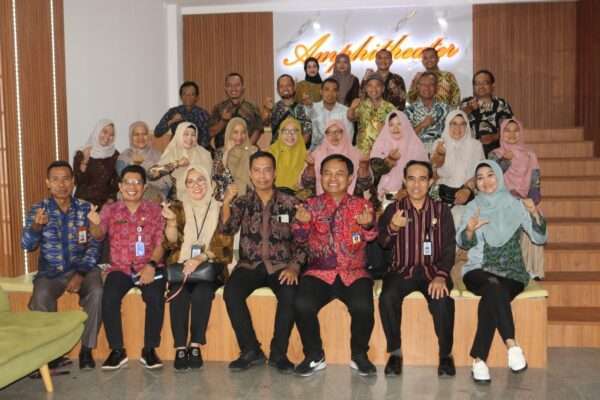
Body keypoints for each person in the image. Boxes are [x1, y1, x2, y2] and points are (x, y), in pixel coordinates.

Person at [456, 160, 547, 384]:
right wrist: (469, 231)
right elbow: (462, 242)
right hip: (478, 269)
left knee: (492, 294)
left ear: (499, 176)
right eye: (480, 178)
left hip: (512, 272)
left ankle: (479, 360)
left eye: (490, 175)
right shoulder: (473, 207)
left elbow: (539, 238)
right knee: (493, 287)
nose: (485, 181)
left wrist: (534, 213)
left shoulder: (515, 204)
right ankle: (512, 345)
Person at [293, 154, 378, 377]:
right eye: (328, 173)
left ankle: (359, 355)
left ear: (350, 178)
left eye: (340, 174)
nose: (333, 178)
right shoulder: (311, 205)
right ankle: (314, 355)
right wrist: (302, 224)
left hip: (354, 272)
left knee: (363, 307)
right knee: (302, 303)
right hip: (319, 272)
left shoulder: (362, 205)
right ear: (320, 176)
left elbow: (372, 236)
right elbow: (299, 239)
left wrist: (368, 224)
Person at [220, 151, 305, 373]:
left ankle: (279, 353)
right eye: (257, 170)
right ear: (250, 174)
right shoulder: (242, 202)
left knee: (290, 293)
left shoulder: (291, 203)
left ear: (275, 173)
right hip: (250, 265)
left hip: (281, 266)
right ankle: (251, 350)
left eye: (267, 170)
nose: (262, 175)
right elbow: (227, 230)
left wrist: (294, 267)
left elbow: (304, 239)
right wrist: (226, 202)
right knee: (231, 293)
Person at [377, 160, 456, 377]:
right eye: (411, 179)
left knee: (442, 301)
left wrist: (441, 275)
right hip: (401, 271)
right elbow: (383, 243)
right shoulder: (394, 209)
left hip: (433, 271)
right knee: (387, 297)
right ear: (404, 180)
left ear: (430, 182)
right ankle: (395, 353)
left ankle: (445, 355)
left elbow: (449, 247)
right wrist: (393, 227)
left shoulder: (441, 210)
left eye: (422, 179)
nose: (416, 185)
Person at [21, 161, 103, 370]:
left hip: (83, 268)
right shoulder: (39, 209)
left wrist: (81, 273)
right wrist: (36, 227)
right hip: (51, 271)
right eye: (55, 180)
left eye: (66, 179)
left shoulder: (86, 208)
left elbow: (95, 246)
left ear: (73, 181)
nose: (61, 184)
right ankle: (51, 354)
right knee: (40, 297)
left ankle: (86, 349)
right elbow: (27, 245)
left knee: (97, 291)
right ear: (48, 183)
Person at [88, 165, 166, 370]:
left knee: (155, 297)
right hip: (120, 268)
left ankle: (149, 350)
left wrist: (151, 265)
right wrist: (94, 223)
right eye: (128, 182)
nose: (132, 187)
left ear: (144, 186)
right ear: (120, 186)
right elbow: (98, 235)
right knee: (109, 297)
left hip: (148, 266)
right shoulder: (110, 210)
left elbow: (161, 244)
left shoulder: (154, 210)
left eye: (137, 182)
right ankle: (117, 350)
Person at [161, 165, 223, 370]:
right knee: (179, 294)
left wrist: (200, 258)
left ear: (209, 182)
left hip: (210, 268)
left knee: (202, 292)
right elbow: (170, 244)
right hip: (182, 268)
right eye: (190, 181)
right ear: (184, 186)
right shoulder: (178, 209)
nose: (196, 185)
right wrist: (171, 222)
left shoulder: (220, 208)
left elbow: (224, 244)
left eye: (201, 179)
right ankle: (180, 347)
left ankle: (195, 344)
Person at [490, 119, 543, 279]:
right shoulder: (495, 154)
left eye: (516, 130)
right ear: (501, 133)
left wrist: (530, 202)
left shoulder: (530, 155)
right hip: (502, 200)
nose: (512, 134)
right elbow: (491, 181)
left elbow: (535, 184)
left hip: (525, 199)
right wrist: (505, 161)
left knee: (535, 216)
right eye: (507, 130)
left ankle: (532, 269)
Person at [430, 110, 484, 225]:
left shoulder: (476, 145)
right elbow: (434, 171)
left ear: (467, 126)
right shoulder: (440, 143)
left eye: (462, 124)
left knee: (464, 221)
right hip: (443, 195)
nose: (458, 128)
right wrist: (440, 154)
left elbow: (481, 173)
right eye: (453, 123)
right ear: (447, 124)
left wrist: (467, 189)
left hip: (468, 194)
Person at [370, 111, 428, 204]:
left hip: (410, 195)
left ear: (406, 125)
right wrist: (389, 160)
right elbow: (375, 171)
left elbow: (423, 174)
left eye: (399, 124)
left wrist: (405, 191)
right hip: (383, 195)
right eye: (391, 125)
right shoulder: (381, 143)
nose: (395, 128)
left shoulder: (415, 145)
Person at [303, 119, 370, 198]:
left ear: (344, 132)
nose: (334, 136)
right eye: (329, 132)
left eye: (338, 132)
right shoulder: (317, 153)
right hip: (321, 199)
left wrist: (364, 166)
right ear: (325, 135)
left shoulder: (356, 153)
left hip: (351, 199)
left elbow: (365, 185)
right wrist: (310, 167)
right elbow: (306, 184)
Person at [148, 122, 213, 200]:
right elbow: (151, 174)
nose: (189, 138)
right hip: (178, 198)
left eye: (193, 135)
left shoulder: (204, 153)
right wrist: (177, 163)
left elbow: (211, 178)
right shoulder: (173, 153)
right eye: (186, 134)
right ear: (179, 135)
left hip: (201, 196)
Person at [460, 70, 514, 156]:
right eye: (477, 83)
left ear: (492, 86)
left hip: (496, 150)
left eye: (485, 83)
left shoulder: (501, 104)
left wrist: (494, 137)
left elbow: (510, 128)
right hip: (469, 151)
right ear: (473, 87)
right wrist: (469, 108)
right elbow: (455, 120)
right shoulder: (466, 103)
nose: (481, 86)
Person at [117, 121, 170, 201]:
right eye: (136, 134)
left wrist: (162, 196)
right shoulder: (124, 157)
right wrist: (135, 164)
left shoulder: (158, 155)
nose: (141, 138)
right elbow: (124, 182)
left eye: (144, 134)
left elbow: (167, 182)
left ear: (148, 136)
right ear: (131, 137)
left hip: (155, 192)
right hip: (131, 192)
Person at [208, 73, 263, 147]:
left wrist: (246, 148)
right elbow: (211, 132)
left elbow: (257, 130)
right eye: (229, 85)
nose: (233, 88)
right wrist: (223, 121)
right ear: (225, 88)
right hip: (223, 149)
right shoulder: (218, 108)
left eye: (237, 85)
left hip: (248, 148)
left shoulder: (253, 107)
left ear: (243, 87)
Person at [73, 119, 119, 207]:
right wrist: (84, 161)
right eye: (105, 132)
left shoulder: (115, 155)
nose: (108, 136)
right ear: (97, 131)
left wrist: (111, 200)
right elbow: (77, 181)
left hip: (105, 205)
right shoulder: (81, 153)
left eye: (111, 135)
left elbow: (116, 182)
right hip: (83, 204)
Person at [154, 81, 211, 149]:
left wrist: (195, 150)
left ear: (197, 97)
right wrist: (172, 121)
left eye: (192, 94)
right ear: (181, 96)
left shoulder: (203, 114)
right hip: (177, 149)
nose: (188, 96)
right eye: (185, 94)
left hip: (197, 149)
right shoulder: (173, 112)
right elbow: (157, 132)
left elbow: (206, 137)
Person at [348, 75, 395, 155]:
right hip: (362, 151)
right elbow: (351, 117)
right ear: (366, 89)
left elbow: (396, 128)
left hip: (383, 151)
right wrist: (352, 108)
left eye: (377, 86)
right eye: (370, 86)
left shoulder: (390, 107)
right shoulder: (361, 105)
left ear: (383, 89)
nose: (374, 89)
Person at [405, 72, 449, 154]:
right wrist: (421, 125)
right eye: (423, 84)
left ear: (436, 87)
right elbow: (405, 138)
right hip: (416, 152)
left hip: (440, 153)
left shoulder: (445, 109)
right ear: (417, 87)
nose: (427, 87)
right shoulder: (409, 110)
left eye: (431, 84)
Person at [305, 78, 354, 150]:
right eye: (327, 89)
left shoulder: (345, 111)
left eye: (334, 90)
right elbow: (305, 124)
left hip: (339, 150)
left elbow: (349, 136)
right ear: (321, 92)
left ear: (338, 93)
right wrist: (308, 106)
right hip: (316, 150)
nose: (330, 93)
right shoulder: (313, 108)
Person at [265, 74, 312, 143]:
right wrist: (267, 110)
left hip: (296, 148)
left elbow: (307, 134)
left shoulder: (303, 108)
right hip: (276, 148)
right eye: (281, 86)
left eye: (288, 85)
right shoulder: (273, 108)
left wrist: (297, 147)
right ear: (277, 90)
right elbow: (265, 124)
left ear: (294, 87)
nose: (285, 89)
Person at [268, 117, 307, 194]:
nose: (290, 134)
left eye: (294, 131)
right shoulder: (271, 152)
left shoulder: (307, 156)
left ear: (299, 134)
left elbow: (308, 186)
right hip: (273, 195)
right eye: (285, 131)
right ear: (280, 133)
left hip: (298, 196)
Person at [221, 118, 258, 197]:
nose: (239, 136)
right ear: (229, 133)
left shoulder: (253, 151)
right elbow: (220, 176)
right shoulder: (221, 152)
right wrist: (227, 152)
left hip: (250, 196)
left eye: (243, 132)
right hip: (227, 196)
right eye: (235, 132)